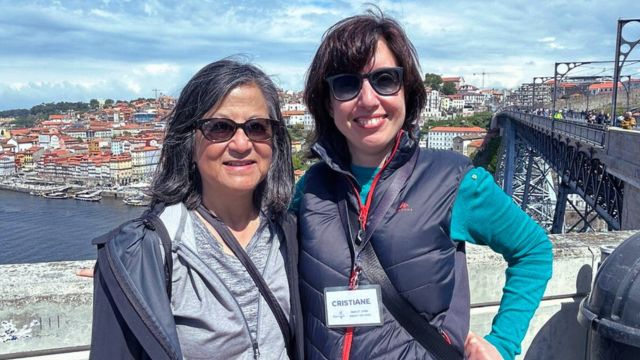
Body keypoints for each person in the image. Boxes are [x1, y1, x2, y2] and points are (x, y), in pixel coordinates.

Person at [292, 11, 552, 360]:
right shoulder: (310, 189)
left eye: (385, 79)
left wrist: (502, 344)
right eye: (346, 84)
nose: (368, 99)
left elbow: (533, 250)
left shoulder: (455, 180)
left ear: (407, 91)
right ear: (327, 101)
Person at [90, 59, 303, 359]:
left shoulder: (292, 235)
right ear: (189, 141)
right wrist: (129, 271)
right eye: (219, 128)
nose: (241, 144)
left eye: (257, 127)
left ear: (275, 141)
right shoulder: (146, 253)